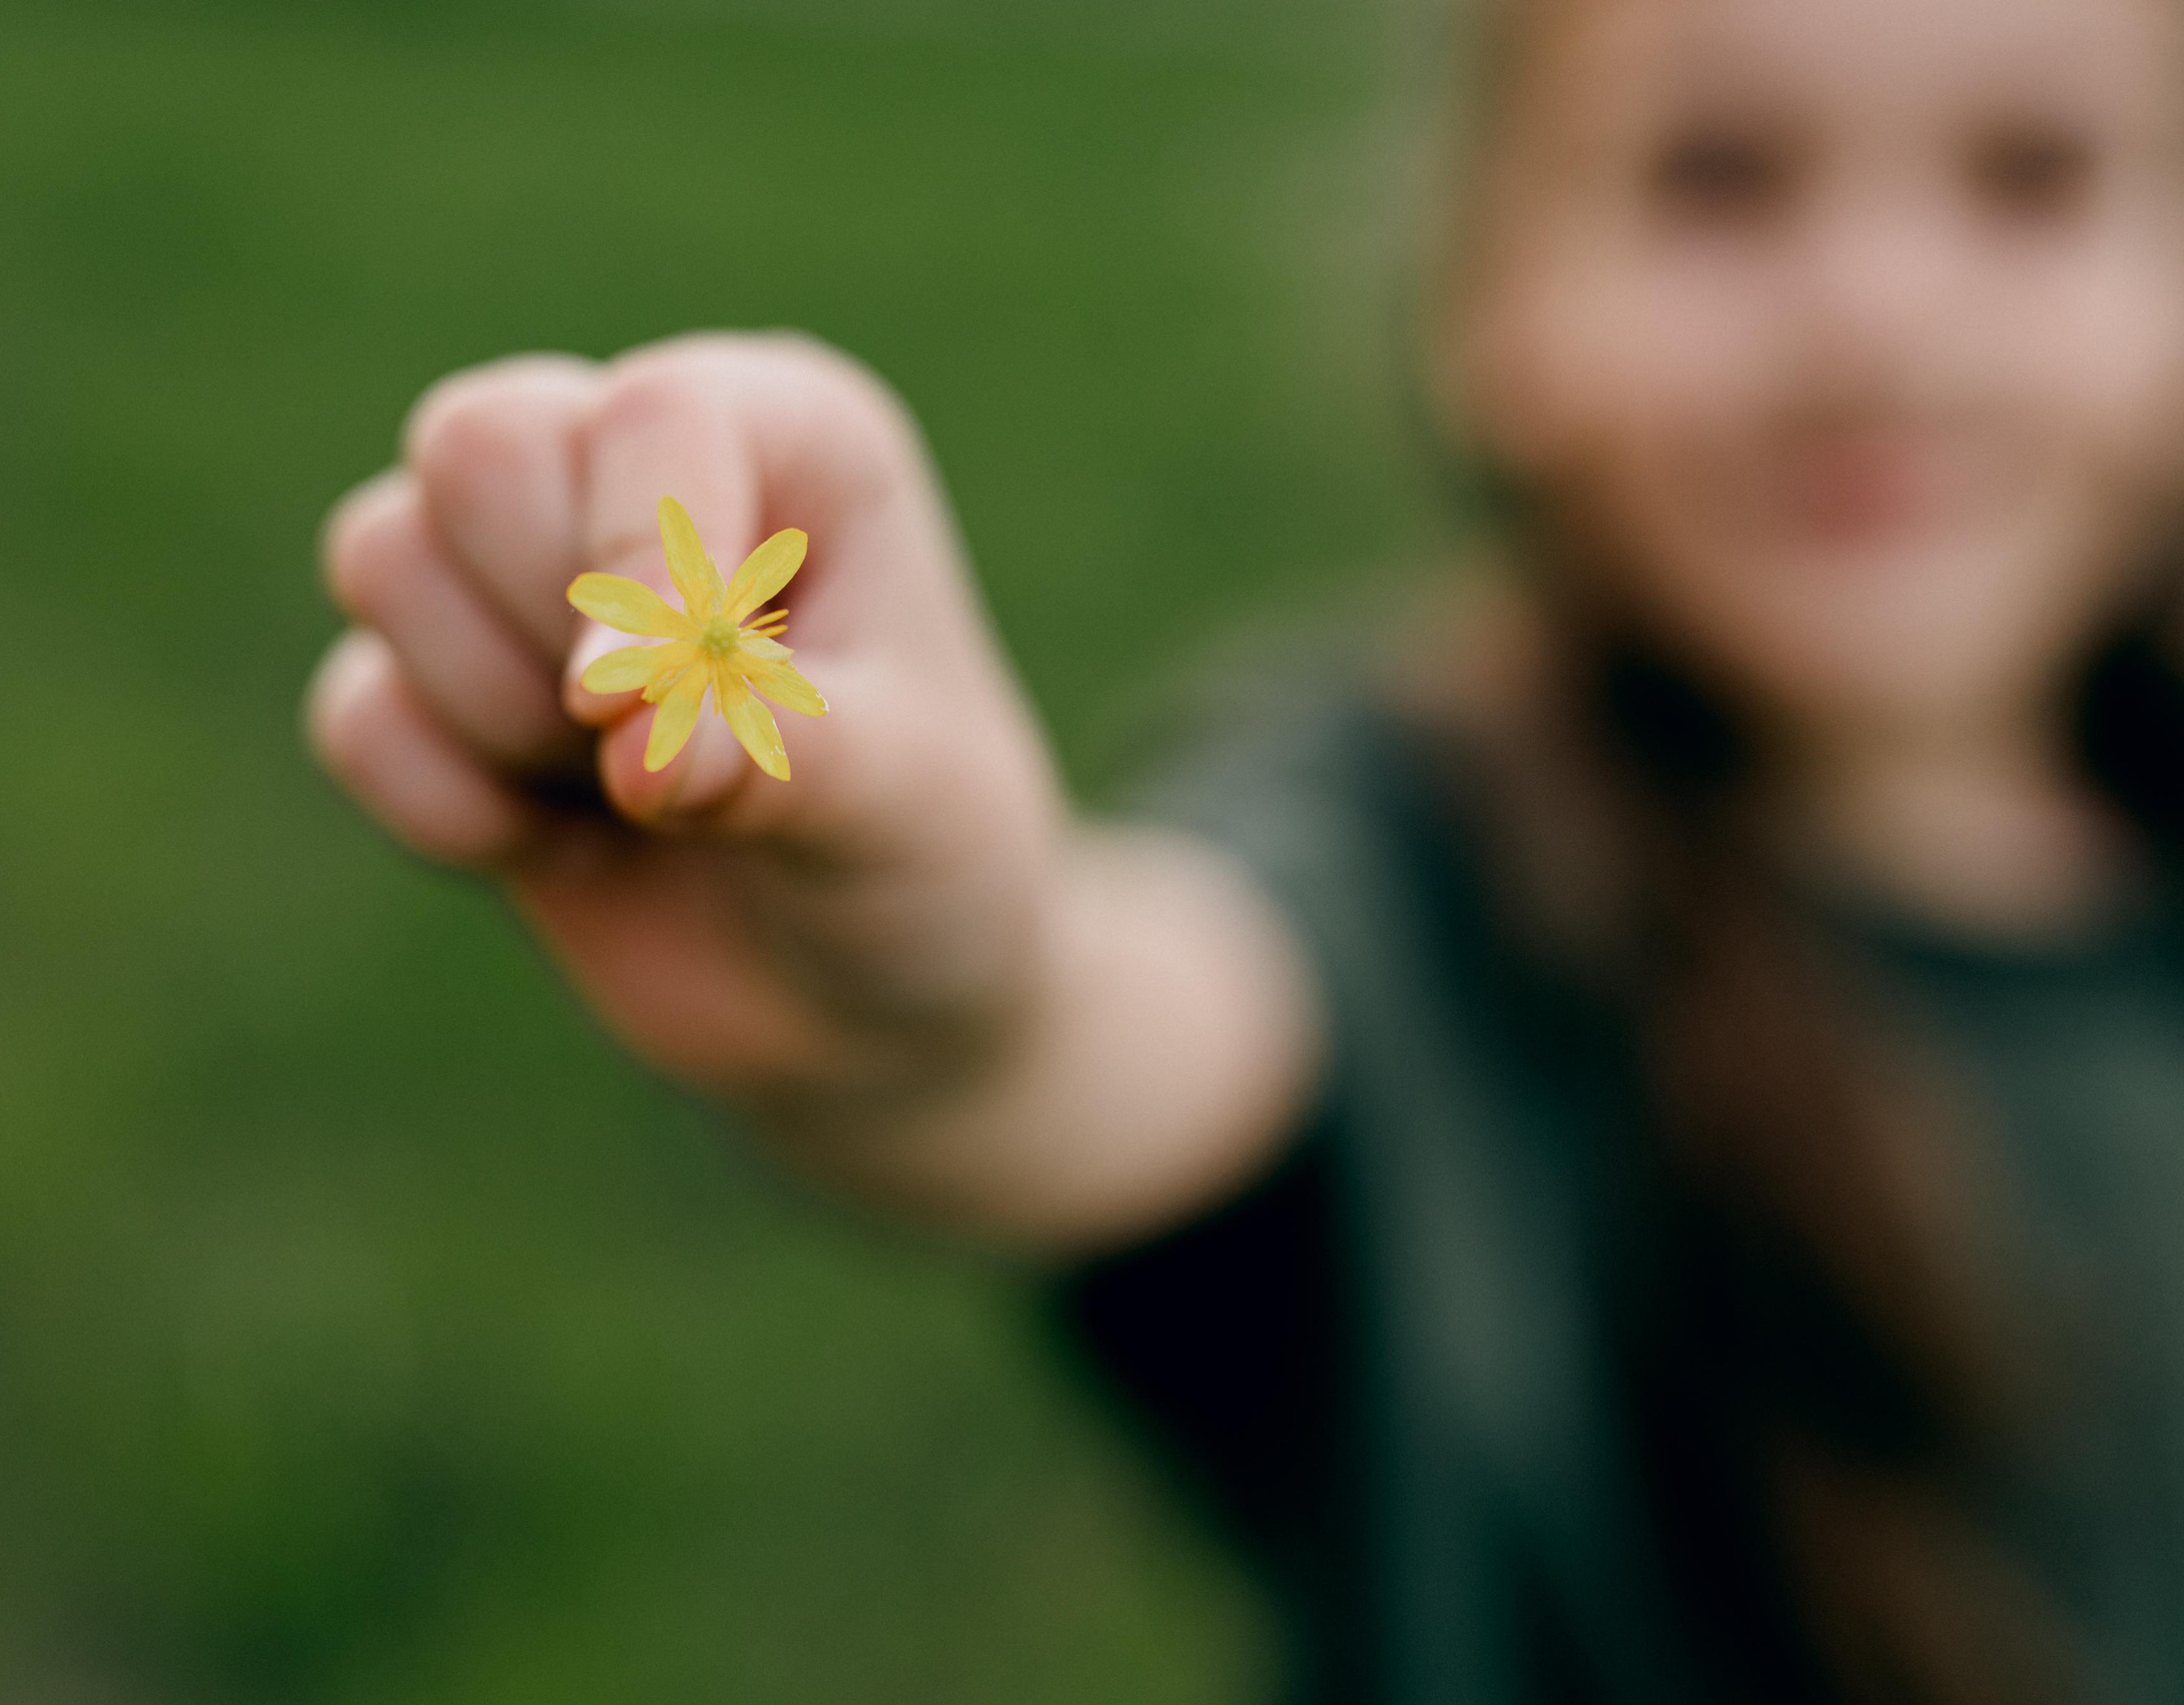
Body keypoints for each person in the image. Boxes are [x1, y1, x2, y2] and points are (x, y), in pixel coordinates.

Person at [304, 0, 2184, 1696]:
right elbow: (1103, 1030)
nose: (1878, 312)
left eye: (2033, 177)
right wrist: (935, 976)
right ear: (1486, 304)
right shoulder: (1419, 860)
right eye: (1720, 178)